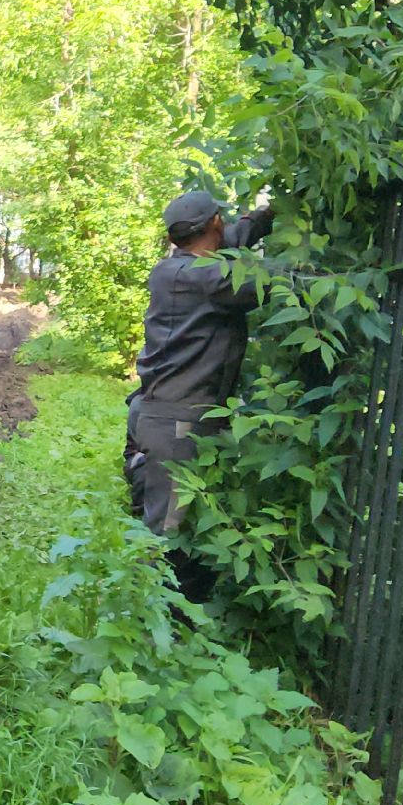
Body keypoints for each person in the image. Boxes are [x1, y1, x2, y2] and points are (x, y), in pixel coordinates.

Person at [129, 189, 274, 601]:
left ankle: (177, 621)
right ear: (214, 223)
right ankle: (155, 628)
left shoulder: (177, 269)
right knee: (167, 538)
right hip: (176, 425)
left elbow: (231, 240)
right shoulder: (205, 278)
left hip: (167, 416)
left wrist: (267, 216)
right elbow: (273, 280)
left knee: (178, 527)